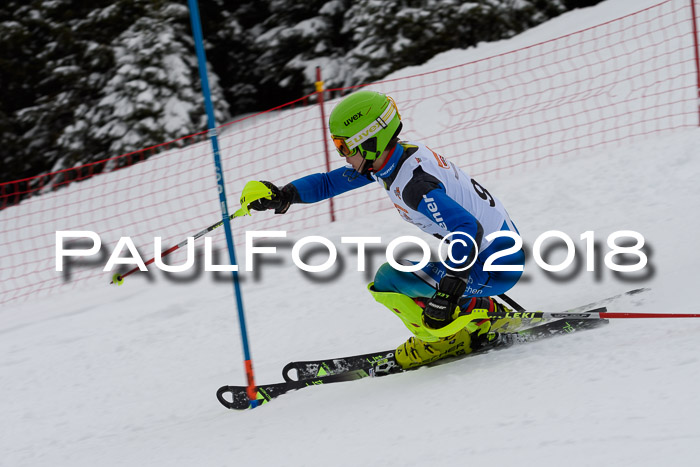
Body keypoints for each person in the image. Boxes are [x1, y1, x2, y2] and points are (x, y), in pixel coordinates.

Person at [248, 90, 528, 370]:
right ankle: (479, 311)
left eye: (344, 147)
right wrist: (283, 195)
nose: (343, 157)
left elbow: (468, 228)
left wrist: (448, 293)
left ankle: (444, 339)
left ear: (370, 141)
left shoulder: (413, 185)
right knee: (407, 269)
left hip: (496, 266)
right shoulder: (395, 159)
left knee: (389, 279)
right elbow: (327, 184)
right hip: (494, 256)